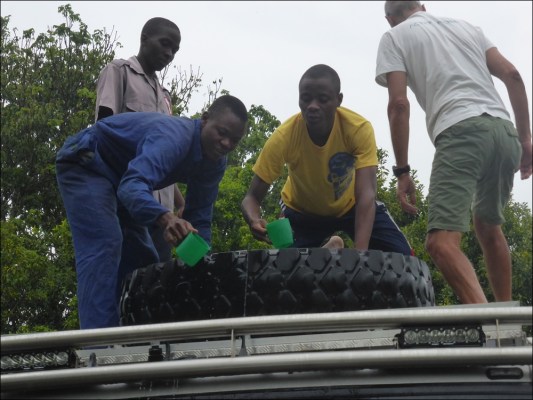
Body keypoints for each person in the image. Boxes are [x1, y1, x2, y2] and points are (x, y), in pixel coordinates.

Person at [375, 1, 532, 303]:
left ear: (389, 19)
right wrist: (525, 139)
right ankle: (508, 321)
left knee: (441, 244)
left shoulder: (394, 37)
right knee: (489, 227)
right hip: (503, 132)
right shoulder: (468, 28)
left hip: (461, 131)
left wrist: (403, 171)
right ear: (423, 6)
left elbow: (398, 105)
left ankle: (492, 323)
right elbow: (512, 74)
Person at [56, 95, 248, 329]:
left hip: (122, 180)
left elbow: (200, 219)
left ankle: (134, 338)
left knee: (144, 260)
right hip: (88, 162)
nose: (226, 144)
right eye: (222, 133)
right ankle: (98, 344)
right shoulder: (174, 137)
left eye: (234, 140)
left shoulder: (215, 163)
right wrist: (166, 218)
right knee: (106, 243)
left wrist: (202, 269)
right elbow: (132, 186)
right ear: (205, 119)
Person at [241, 64, 412, 255]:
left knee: (402, 257)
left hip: (351, 207)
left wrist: (360, 256)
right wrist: (253, 219)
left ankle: (329, 251)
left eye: (322, 99)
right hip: (301, 212)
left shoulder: (358, 129)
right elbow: (252, 198)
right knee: (292, 267)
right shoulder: (284, 136)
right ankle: (327, 248)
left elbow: (366, 195)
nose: (313, 106)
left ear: (338, 100)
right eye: (306, 99)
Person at [95, 17, 185, 262]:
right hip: (128, 201)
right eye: (165, 44)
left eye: (175, 50)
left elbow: (161, 158)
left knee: (158, 276)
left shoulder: (165, 97)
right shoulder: (119, 72)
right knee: (127, 274)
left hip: (161, 212)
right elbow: (103, 132)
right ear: (144, 39)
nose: (169, 54)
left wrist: (180, 203)